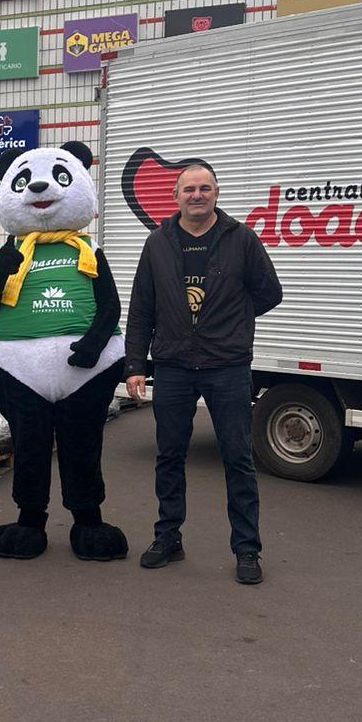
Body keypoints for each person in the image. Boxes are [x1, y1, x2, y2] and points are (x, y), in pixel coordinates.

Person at [124, 161, 283, 585]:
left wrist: (233, 321)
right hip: (174, 365)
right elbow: (142, 308)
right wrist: (136, 364)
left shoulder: (241, 240)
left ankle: (247, 548)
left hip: (227, 366)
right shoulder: (158, 243)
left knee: (238, 458)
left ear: (217, 193)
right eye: (189, 189)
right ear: (176, 197)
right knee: (169, 456)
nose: (197, 195)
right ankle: (168, 538)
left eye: (205, 188)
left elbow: (270, 292)